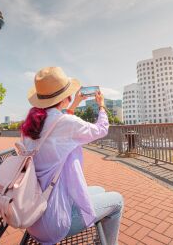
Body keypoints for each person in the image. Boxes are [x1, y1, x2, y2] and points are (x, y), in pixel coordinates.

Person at [21, 67, 123, 245]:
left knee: (99, 189)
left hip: (33, 216)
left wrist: (74, 104)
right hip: (54, 222)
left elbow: (58, 125)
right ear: (65, 97)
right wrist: (101, 105)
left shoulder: (32, 125)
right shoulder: (66, 123)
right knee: (117, 200)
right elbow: (101, 129)